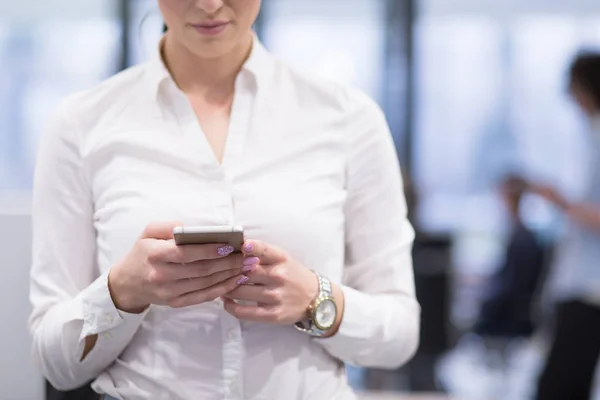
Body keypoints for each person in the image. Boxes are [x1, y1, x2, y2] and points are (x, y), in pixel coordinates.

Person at [27, 1, 420, 399]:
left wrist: (316, 301)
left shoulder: (349, 118)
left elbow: (401, 333)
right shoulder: (80, 124)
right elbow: (55, 362)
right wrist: (121, 292)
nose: (210, 4)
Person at [531, 52, 600, 400]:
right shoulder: (588, 136)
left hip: (591, 287)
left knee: (557, 387)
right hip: (579, 283)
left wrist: (562, 202)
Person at [473, 175, 545, 339]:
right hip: (511, 312)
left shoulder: (523, 240)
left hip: (509, 318)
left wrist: (483, 306)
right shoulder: (522, 235)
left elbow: (511, 289)